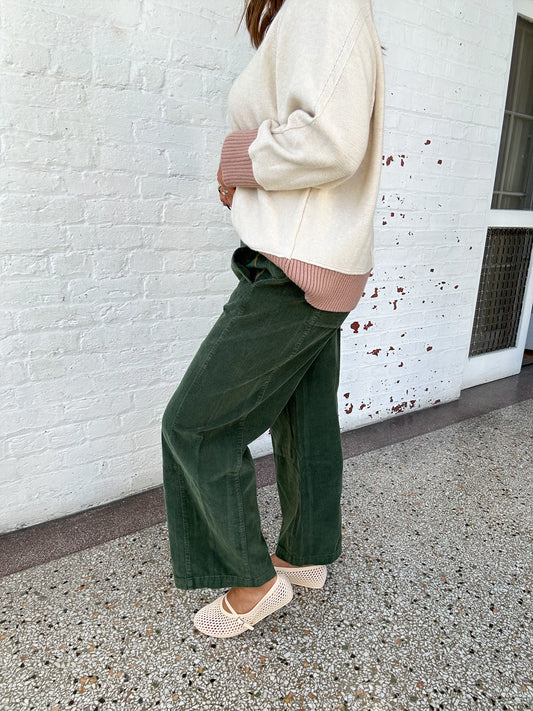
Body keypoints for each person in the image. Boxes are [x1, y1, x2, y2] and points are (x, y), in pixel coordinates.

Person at [161, 0, 384, 639]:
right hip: (318, 258)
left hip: (294, 265)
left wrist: (237, 160)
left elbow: (332, 140)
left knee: (195, 425)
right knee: (302, 416)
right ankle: (305, 551)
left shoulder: (324, 5)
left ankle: (253, 582)